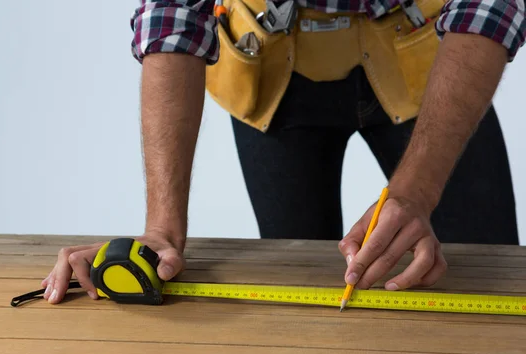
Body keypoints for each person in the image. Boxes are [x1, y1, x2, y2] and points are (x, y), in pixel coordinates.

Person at [41, 0, 524, 304]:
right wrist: (161, 231)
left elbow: (490, 5)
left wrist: (416, 192)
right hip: (271, 64)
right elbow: (174, 15)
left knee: (493, 273)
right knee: (302, 279)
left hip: (426, 62)